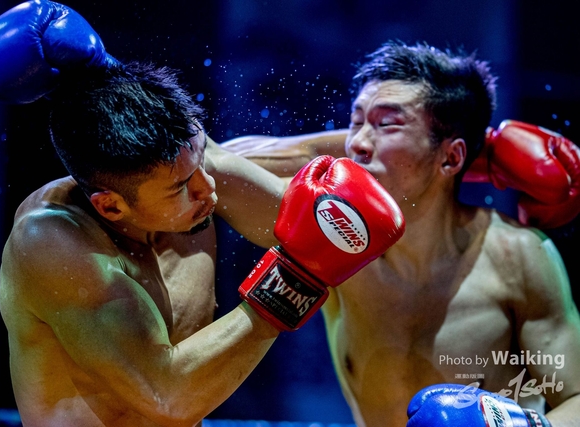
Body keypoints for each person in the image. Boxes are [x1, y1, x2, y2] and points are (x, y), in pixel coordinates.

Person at [0, 2, 405, 426]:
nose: (208, 187)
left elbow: (302, 217)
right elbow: (167, 395)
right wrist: (292, 280)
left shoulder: (184, 163)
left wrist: (418, 145)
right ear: (111, 206)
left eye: (202, 161)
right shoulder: (51, 242)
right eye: (181, 188)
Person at [223, 41, 580, 426]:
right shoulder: (337, 234)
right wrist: (479, 151)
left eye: (387, 123)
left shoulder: (519, 256)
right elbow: (210, 167)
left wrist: (517, 426)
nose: (357, 144)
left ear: (452, 157)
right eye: (356, 121)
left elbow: (576, 398)